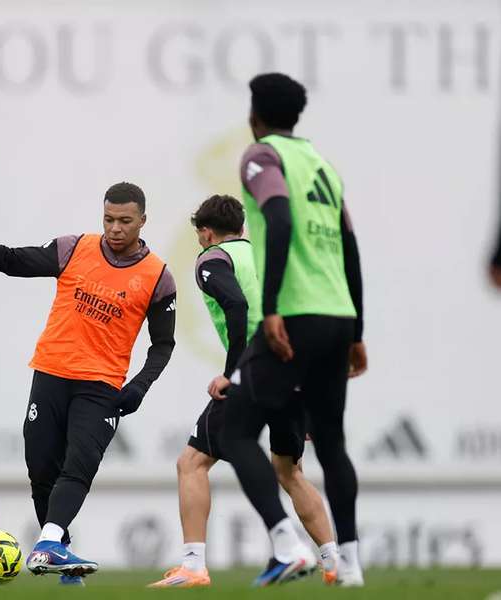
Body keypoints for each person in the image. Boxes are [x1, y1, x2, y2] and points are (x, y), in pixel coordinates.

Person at [0, 182, 176, 585]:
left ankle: (47, 543)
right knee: (42, 469)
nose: (115, 228)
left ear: (143, 221)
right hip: (50, 373)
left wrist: (139, 386)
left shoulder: (158, 277)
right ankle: (59, 552)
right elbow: (11, 261)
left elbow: (163, 345)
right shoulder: (74, 248)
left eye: (125, 221)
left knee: (79, 462)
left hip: (101, 386)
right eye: (109, 219)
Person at [222, 72, 367, 587]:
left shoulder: (262, 156)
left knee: (232, 430)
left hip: (296, 315)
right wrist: (357, 331)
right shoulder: (323, 166)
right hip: (337, 314)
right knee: (330, 441)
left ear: (254, 115)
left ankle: (286, 541)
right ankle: (348, 564)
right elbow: (350, 248)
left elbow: (278, 220)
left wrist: (274, 306)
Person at [148, 194, 338, 588]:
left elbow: (234, 304)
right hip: (295, 370)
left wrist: (232, 373)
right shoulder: (263, 258)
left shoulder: (213, 258)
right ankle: (335, 562)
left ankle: (194, 565)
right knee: (290, 470)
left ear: (206, 231)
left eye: (200, 233)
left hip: (257, 370)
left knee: (192, 463)